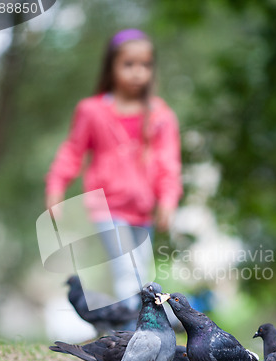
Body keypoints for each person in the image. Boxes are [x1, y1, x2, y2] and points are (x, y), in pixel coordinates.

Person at [45, 29, 182, 307]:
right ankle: (133, 336)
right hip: (106, 204)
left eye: (145, 65)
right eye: (128, 64)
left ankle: (140, 330)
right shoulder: (92, 111)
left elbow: (169, 161)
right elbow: (72, 152)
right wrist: (56, 187)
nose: (137, 72)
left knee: (142, 272)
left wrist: (168, 200)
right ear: (112, 66)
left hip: (143, 209)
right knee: (126, 270)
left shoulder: (160, 115)